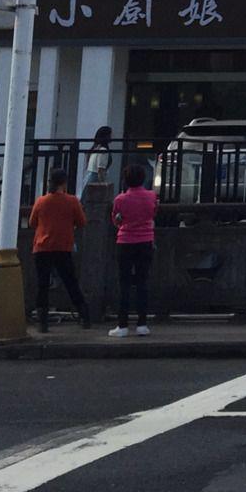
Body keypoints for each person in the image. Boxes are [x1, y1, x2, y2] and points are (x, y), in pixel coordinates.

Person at [25, 168, 89, 332]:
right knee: (70, 282)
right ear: (64, 183)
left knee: (42, 284)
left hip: (42, 246)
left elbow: (32, 223)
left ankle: (43, 321)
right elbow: (82, 222)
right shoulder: (72, 201)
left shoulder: (41, 201)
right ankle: (84, 314)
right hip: (63, 246)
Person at [109, 163, 157, 337]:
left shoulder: (120, 199)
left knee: (124, 284)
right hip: (145, 240)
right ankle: (142, 324)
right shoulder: (152, 196)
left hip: (125, 241)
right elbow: (153, 213)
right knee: (143, 283)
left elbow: (116, 220)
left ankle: (122, 326)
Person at [80, 125, 114, 207]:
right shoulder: (103, 151)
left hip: (89, 177)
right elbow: (100, 170)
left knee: (85, 201)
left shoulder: (95, 149)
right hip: (95, 179)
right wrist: (104, 185)